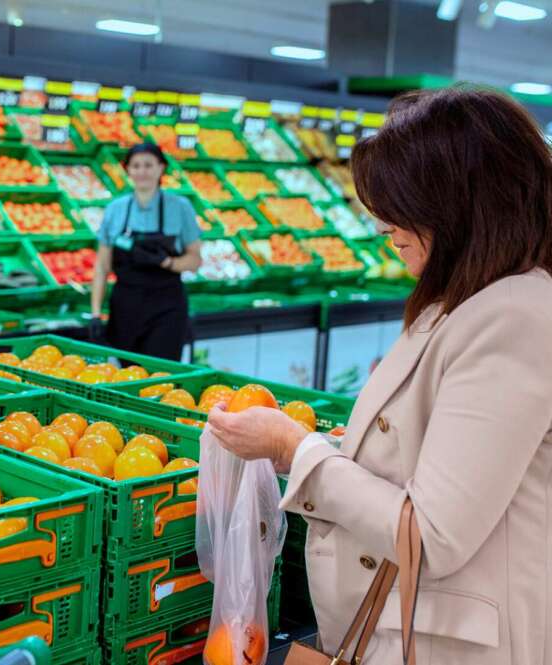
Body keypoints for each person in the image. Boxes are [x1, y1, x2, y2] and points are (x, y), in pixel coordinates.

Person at [207, 87, 552, 664]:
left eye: (401, 205)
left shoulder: (514, 316)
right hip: (408, 622)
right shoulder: (467, 299)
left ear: (462, 204)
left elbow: (432, 536)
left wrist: (298, 448)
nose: (385, 226)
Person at [90, 143, 202, 361]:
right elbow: (102, 267)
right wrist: (95, 313)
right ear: (128, 170)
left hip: (166, 307)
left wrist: (167, 262)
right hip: (125, 307)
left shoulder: (180, 207)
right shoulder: (115, 209)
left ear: (161, 168)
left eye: (149, 165)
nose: (142, 172)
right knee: (128, 376)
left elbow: (195, 260)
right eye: (136, 166)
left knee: (161, 375)